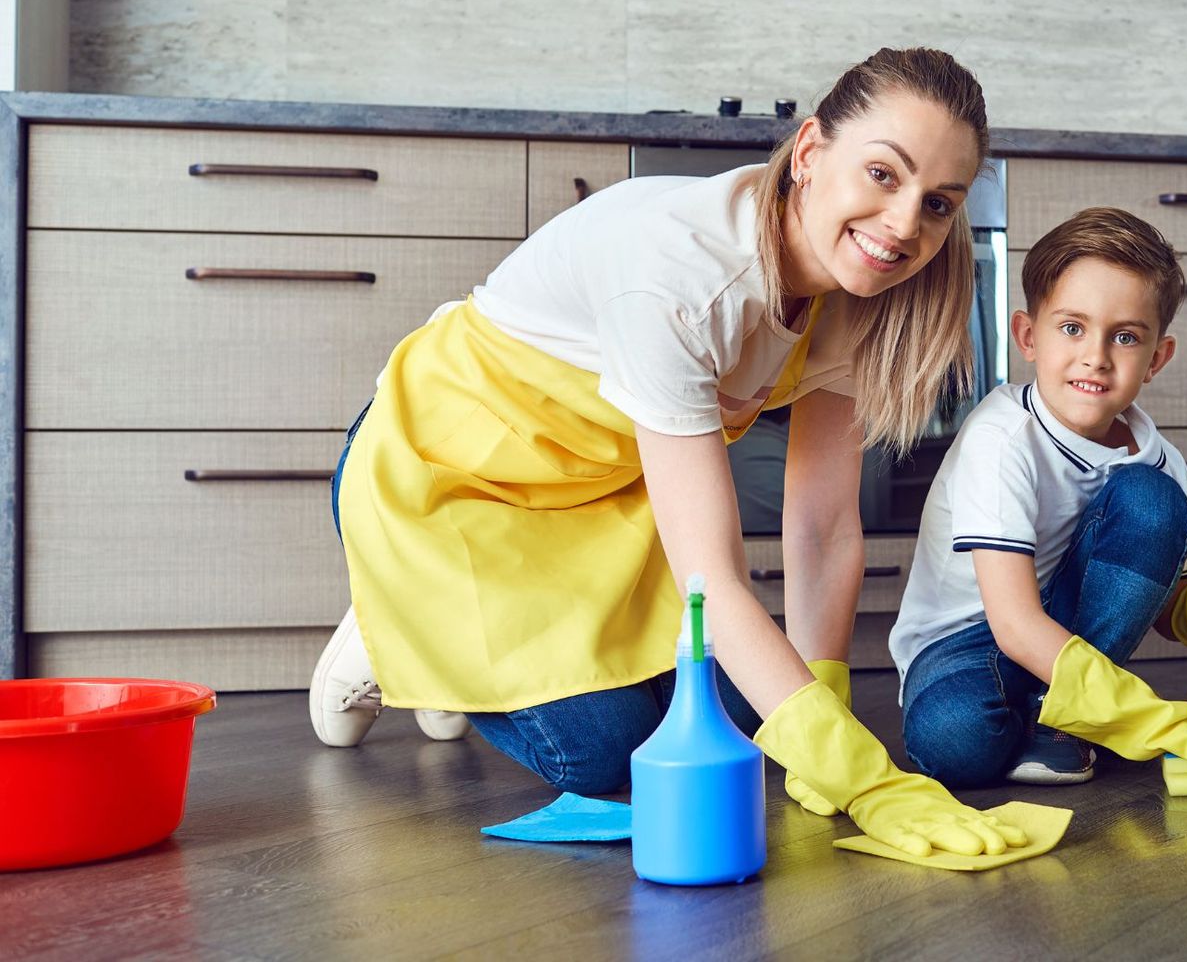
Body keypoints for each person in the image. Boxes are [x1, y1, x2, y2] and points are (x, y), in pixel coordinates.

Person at [312, 47, 1026, 859]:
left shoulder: (859, 293)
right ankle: (392, 627)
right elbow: (709, 578)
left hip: (598, 497)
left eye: (939, 203)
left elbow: (823, 524)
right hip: (446, 478)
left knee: (753, 716)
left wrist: (824, 705)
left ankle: (450, 652)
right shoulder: (684, 278)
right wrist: (866, 779)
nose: (904, 226)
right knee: (603, 753)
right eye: (883, 175)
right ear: (811, 151)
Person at [890, 207, 1187, 793]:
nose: (1097, 356)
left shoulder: (1160, 463)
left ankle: (1058, 724)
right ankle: (1071, 716)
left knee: (1152, 502)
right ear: (1028, 337)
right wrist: (1148, 717)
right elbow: (1012, 624)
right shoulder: (1001, 438)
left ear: (1157, 359)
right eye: (1071, 328)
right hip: (972, 638)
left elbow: (1174, 606)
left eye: (1126, 336)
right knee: (955, 741)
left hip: (1064, 635)